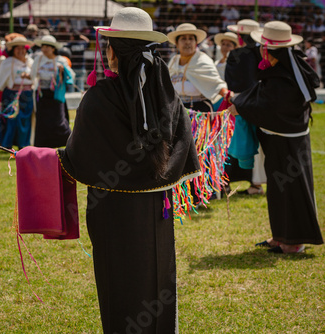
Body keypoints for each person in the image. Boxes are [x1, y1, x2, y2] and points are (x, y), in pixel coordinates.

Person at [57, 7, 200, 333]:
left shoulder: (97, 99)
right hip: (155, 209)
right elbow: (181, 144)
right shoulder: (168, 96)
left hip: (111, 208)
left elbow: (78, 155)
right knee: (157, 274)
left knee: (118, 278)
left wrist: (45, 158)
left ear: (114, 52)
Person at [228, 21, 324, 254]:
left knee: (291, 190)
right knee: (279, 191)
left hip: (287, 143)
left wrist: (240, 107)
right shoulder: (287, 68)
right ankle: (281, 236)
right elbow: (263, 96)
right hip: (282, 140)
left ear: (269, 50)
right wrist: (240, 102)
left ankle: (294, 241)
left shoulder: (284, 75)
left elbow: (270, 107)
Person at [225, 18, 266, 195]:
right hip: (263, 104)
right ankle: (257, 184)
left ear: (240, 37)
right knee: (262, 145)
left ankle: (226, 182)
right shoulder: (265, 54)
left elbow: (231, 83)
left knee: (238, 143)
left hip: (241, 104)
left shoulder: (236, 55)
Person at [167, 23, 228, 113]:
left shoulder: (203, 61)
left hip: (199, 113)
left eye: (191, 39)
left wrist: (229, 96)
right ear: (177, 43)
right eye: (183, 38)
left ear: (196, 43)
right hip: (176, 110)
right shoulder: (174, 61)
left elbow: (216, 84)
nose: (187, 42)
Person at [0, 36, 34, 150]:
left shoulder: (30, 62)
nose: (21, 50)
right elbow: (1, 79)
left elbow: (36, 76)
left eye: (23, 48)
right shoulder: (8, 63)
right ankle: (7, 144)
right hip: (12, 95)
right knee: (12, 119)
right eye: (17, 48)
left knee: (25, 121)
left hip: (28, 95)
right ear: (13, 49)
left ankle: (24, 144)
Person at [31, 35, 73, 148]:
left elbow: (70, 75)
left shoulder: (61, 60)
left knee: (58, 120)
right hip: (41, 94)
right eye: (43, 46)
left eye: (47, 47)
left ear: (53, 48)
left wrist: (62, 70)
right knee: (42, 120)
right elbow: (32, 74)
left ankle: (67, 140)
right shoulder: (38, 59)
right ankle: (42, 144)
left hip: (55, 94)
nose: (44, 49)